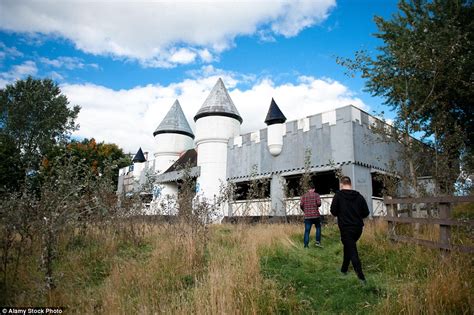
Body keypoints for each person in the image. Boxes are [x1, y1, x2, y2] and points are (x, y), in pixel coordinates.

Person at [330, 176, 370, 283]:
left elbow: (333, 211)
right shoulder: (359, 197)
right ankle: (344, 269)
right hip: (358, 229)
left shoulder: (338, 196)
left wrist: (341, 212)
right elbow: (366, 213)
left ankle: (361, 278)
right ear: (350, 184)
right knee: (348, 246)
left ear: (341, 184)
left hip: (346, 228)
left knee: (352, 250)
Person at [300, 181, 322, 248]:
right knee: (318, 228)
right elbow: (319, 204)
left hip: (307, 216)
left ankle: (306, 245)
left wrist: (305, 211)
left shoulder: (304, 196)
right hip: (315, 216)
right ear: (314, 189)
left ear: (308, 189)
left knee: (307, 231)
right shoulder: (317, 195)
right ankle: (317, 242)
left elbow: (301, 205)